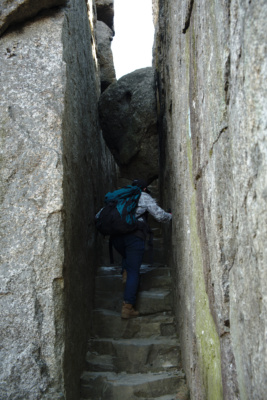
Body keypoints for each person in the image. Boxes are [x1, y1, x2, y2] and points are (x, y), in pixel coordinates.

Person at [111, 179, 172, 319]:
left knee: (127, 257)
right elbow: (159, 215)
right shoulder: (143, 196)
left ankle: (124, 273)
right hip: (134, 237)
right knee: (134, 271)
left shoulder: (120, 196)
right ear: (144, 189)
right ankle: (128, 307)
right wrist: (170, 216)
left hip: (116, 238)